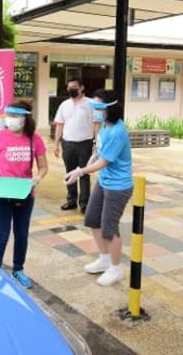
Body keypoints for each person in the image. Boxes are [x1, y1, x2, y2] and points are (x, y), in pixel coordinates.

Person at [0, 101, 48, 289]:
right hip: (1, 193)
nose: (10, 120)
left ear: (25, 118)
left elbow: (43, 166)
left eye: (15, 116)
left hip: (24, 194)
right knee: (1, 235)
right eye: (9, 115)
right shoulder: (0, 137)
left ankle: (18, 269)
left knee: (21, 235)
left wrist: (37, 178)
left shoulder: (34, 139)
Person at [64, 89, 131, 287]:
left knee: (109, 227)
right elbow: (99, 153)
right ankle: (104, 259)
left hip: (118, 186)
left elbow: (104, 162)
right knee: (93, 220)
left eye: (98, 108)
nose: (94, 112)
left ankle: (116, 269)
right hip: (104, 182)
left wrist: (81, 172)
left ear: (110, 109)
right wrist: (86, 163)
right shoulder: (104, 126)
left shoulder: (117, 131)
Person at [53, 77, 96, 213]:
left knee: (84, 173)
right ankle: (71, 200)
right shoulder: (64, 105)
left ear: (81, 88)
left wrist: (96, 142)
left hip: (85, 143)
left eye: (74, 87)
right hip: (68, 143)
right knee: (69, 172)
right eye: (69, 87)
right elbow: (59, 125)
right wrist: (56, 144)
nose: (71, 90)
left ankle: (84, 203)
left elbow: (96, 124)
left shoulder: (90, 103)